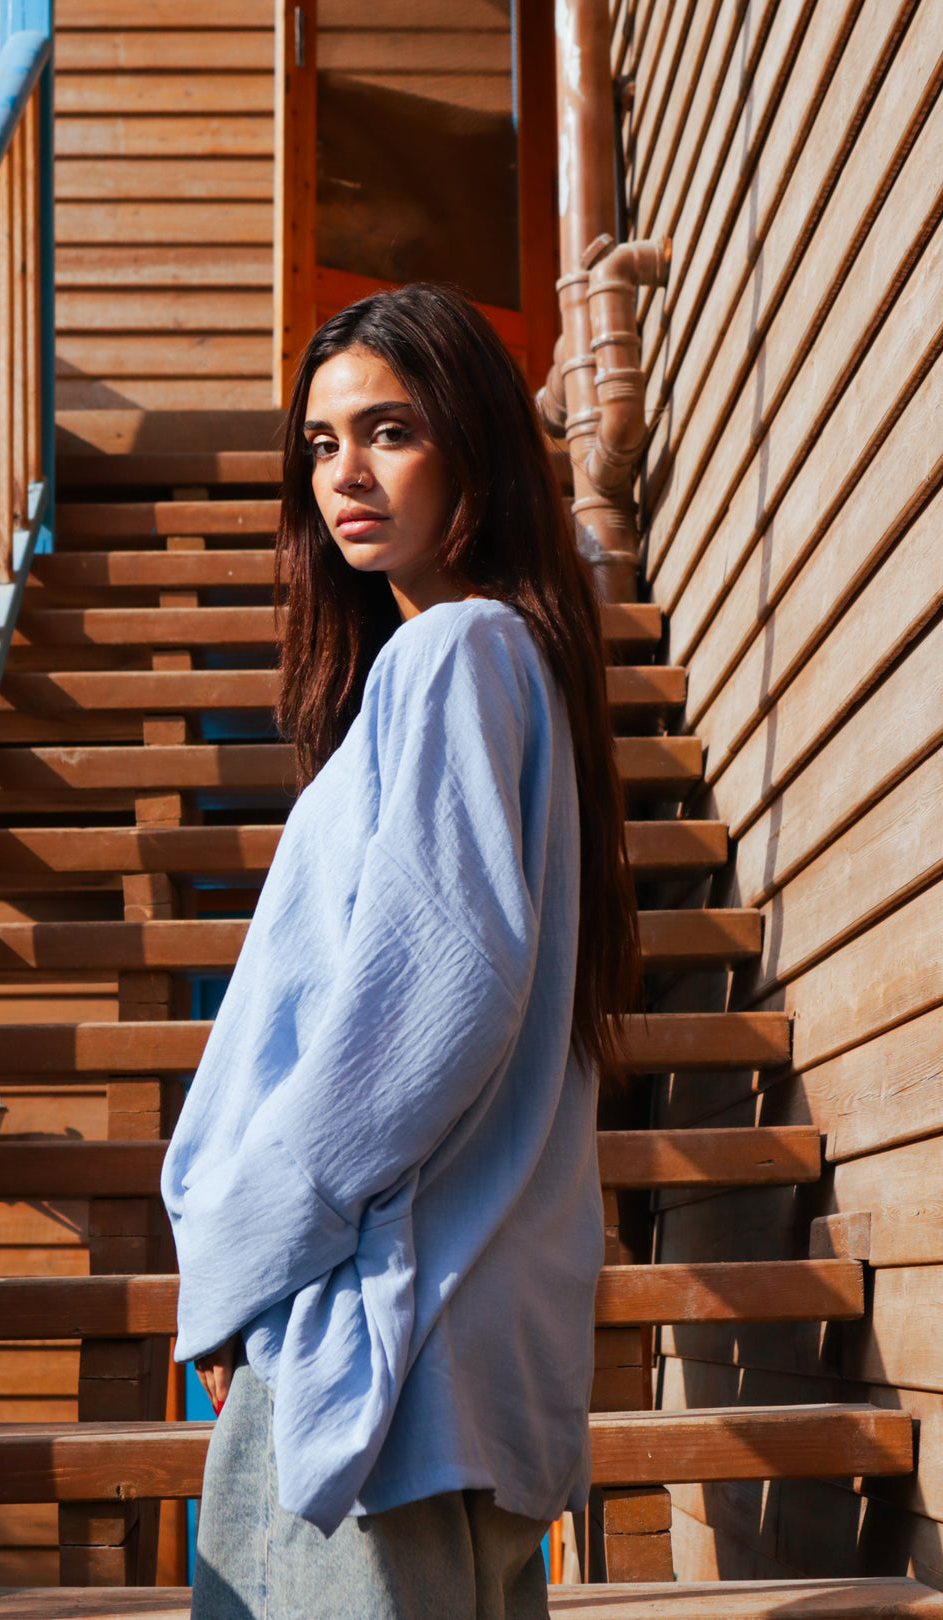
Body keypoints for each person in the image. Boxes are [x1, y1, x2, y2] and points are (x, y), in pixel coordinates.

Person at [161, 283, 639, 1620]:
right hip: (454, 1352)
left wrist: (247, 1261)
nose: (345, 474)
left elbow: (432, 1005)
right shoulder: (509, 662)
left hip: (375, 1341)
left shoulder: (452, 656)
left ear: (473, 446)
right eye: (320, 443)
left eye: (389, 430)